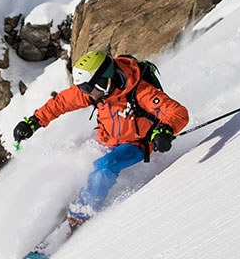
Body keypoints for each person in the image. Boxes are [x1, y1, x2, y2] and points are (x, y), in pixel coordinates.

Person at [13, 51, 189, 232]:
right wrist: (34, 122)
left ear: (103, 80)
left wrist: (165, 130)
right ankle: (59, 212)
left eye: (87, 89)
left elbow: (177, 112)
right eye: (82, 89)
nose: (85, 94)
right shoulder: (97, 91)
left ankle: (80, 216)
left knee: (103, 168)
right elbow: (61, 102)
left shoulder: (140, 91)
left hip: (135, 144)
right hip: (104, 139)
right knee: (70, 166)